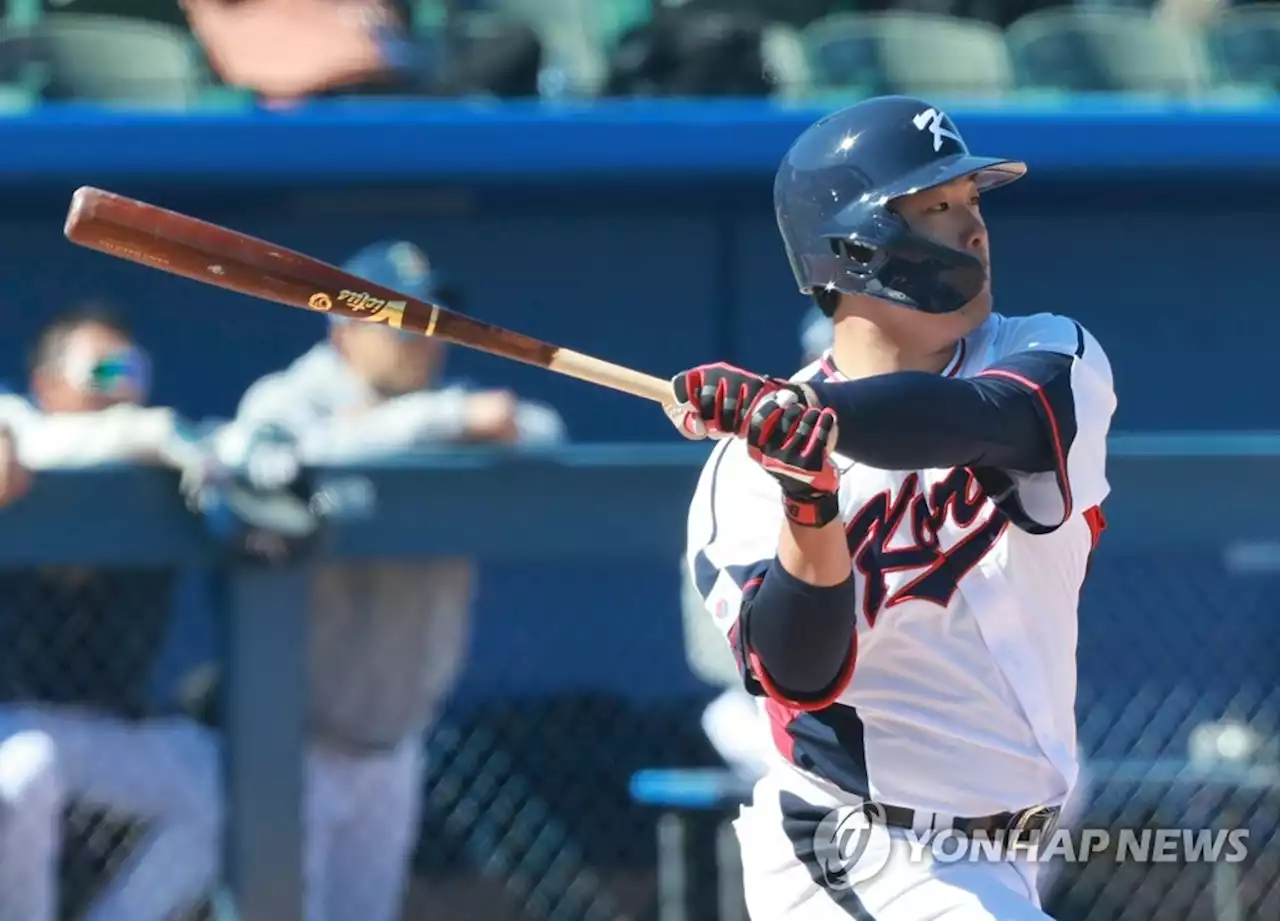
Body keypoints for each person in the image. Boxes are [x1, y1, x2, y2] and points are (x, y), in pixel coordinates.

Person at [670, 96, 1116, 920]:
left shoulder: (1051, 350)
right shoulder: (744, 476)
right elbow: (799, 673)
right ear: (855, 247)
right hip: (859, 848)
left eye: (972, 202)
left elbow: (978, 419)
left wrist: (816, 423)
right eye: (937, 207)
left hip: (1013, 848)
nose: (974, 227)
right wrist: (808, 497)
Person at [204, 239, 565, 921]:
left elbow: (545, 432)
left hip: (394, 740)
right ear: (342, 329)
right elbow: (266, 453)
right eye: (399, 319)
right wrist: (446, 421)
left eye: (432, 319)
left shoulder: (445, 401)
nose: (422, 337)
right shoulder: (291, 397)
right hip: (288, 740)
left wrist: (455, 418)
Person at [0, 303, 219, 921]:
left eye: (130, 369)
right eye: (100, 371)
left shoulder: (159, 452)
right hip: (9, 720)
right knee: (24, 773)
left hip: (108, 724)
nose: (119, 387)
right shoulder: (16, 433)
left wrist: (160, 436)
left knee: (221, 784)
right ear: (47, 384)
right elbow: (38, 437)